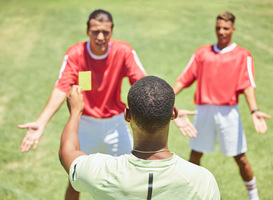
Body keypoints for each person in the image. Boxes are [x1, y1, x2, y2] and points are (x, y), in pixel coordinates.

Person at [18, 9, 147, 200]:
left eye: (105, 32)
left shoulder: (124, 51)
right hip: (85, 125)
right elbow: (62, 87)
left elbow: (143, 84)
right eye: (95, 31)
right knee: (76, 180)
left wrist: (165, 109)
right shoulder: (76, 54)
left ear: (112, 31)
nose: (100, 37)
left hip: (116, 125)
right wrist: (41, 122)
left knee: (132, 178)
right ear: (87, 30)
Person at [59, 76, 221, 200]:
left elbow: (68, 151)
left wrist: (76, 112)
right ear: (174, 113)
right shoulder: (202, 181)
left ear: (127, 115)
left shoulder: (102, 172)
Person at [172, 11, 271, 200]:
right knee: (195, 155)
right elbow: (184, 79)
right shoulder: (202, 53)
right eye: (218, 28)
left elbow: (248, 85)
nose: (221, 32)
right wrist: (165, 97)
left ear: (233, 29)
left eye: (225, 28)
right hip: (203, 111)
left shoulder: (243, 55)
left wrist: (254, 110)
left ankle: (253, 195)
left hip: (228, 113)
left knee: (240, 157)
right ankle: (190, 193)